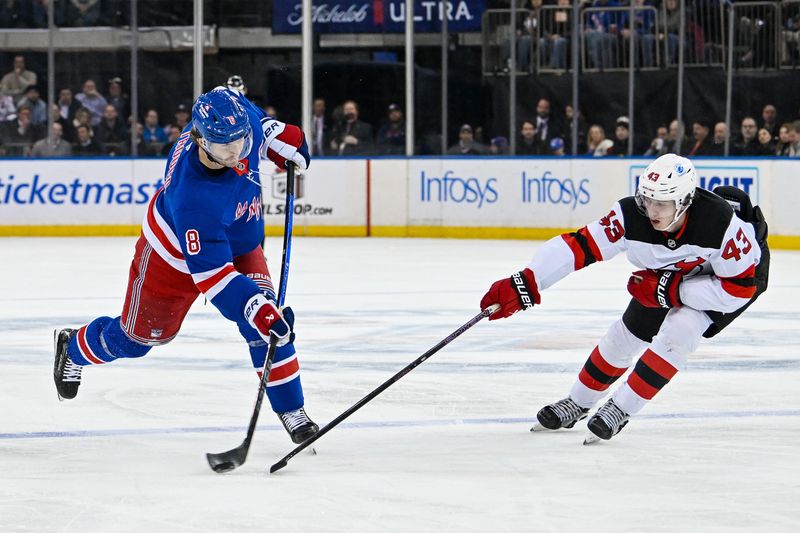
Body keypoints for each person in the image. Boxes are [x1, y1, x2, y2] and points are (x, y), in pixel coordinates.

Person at [53, 87, 319, 445]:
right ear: (200, 139)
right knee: (137, 340)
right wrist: (257, 308)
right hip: (172, 259)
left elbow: (231, 96)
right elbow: (215, 278)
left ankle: (292, 409)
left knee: (263, 327)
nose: (236, 150)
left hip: (241, 240)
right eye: (225, 145)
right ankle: (74, 347)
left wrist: (275, 132)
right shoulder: (192, 196)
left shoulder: (238, 125)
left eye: (241, 140)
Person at [479, 154, 769, 442]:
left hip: (726, 283)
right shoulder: (631, 214)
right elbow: (580, 245)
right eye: (647, 199)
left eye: (662, 203)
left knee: (680, 332)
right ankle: (578, 402)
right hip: (668, 275)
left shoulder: (720, 224)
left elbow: (737, 291)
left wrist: (674, 290)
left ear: (683, 202)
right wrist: (529, 279)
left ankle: (620, 408)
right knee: (625, 335)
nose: (651, 210)